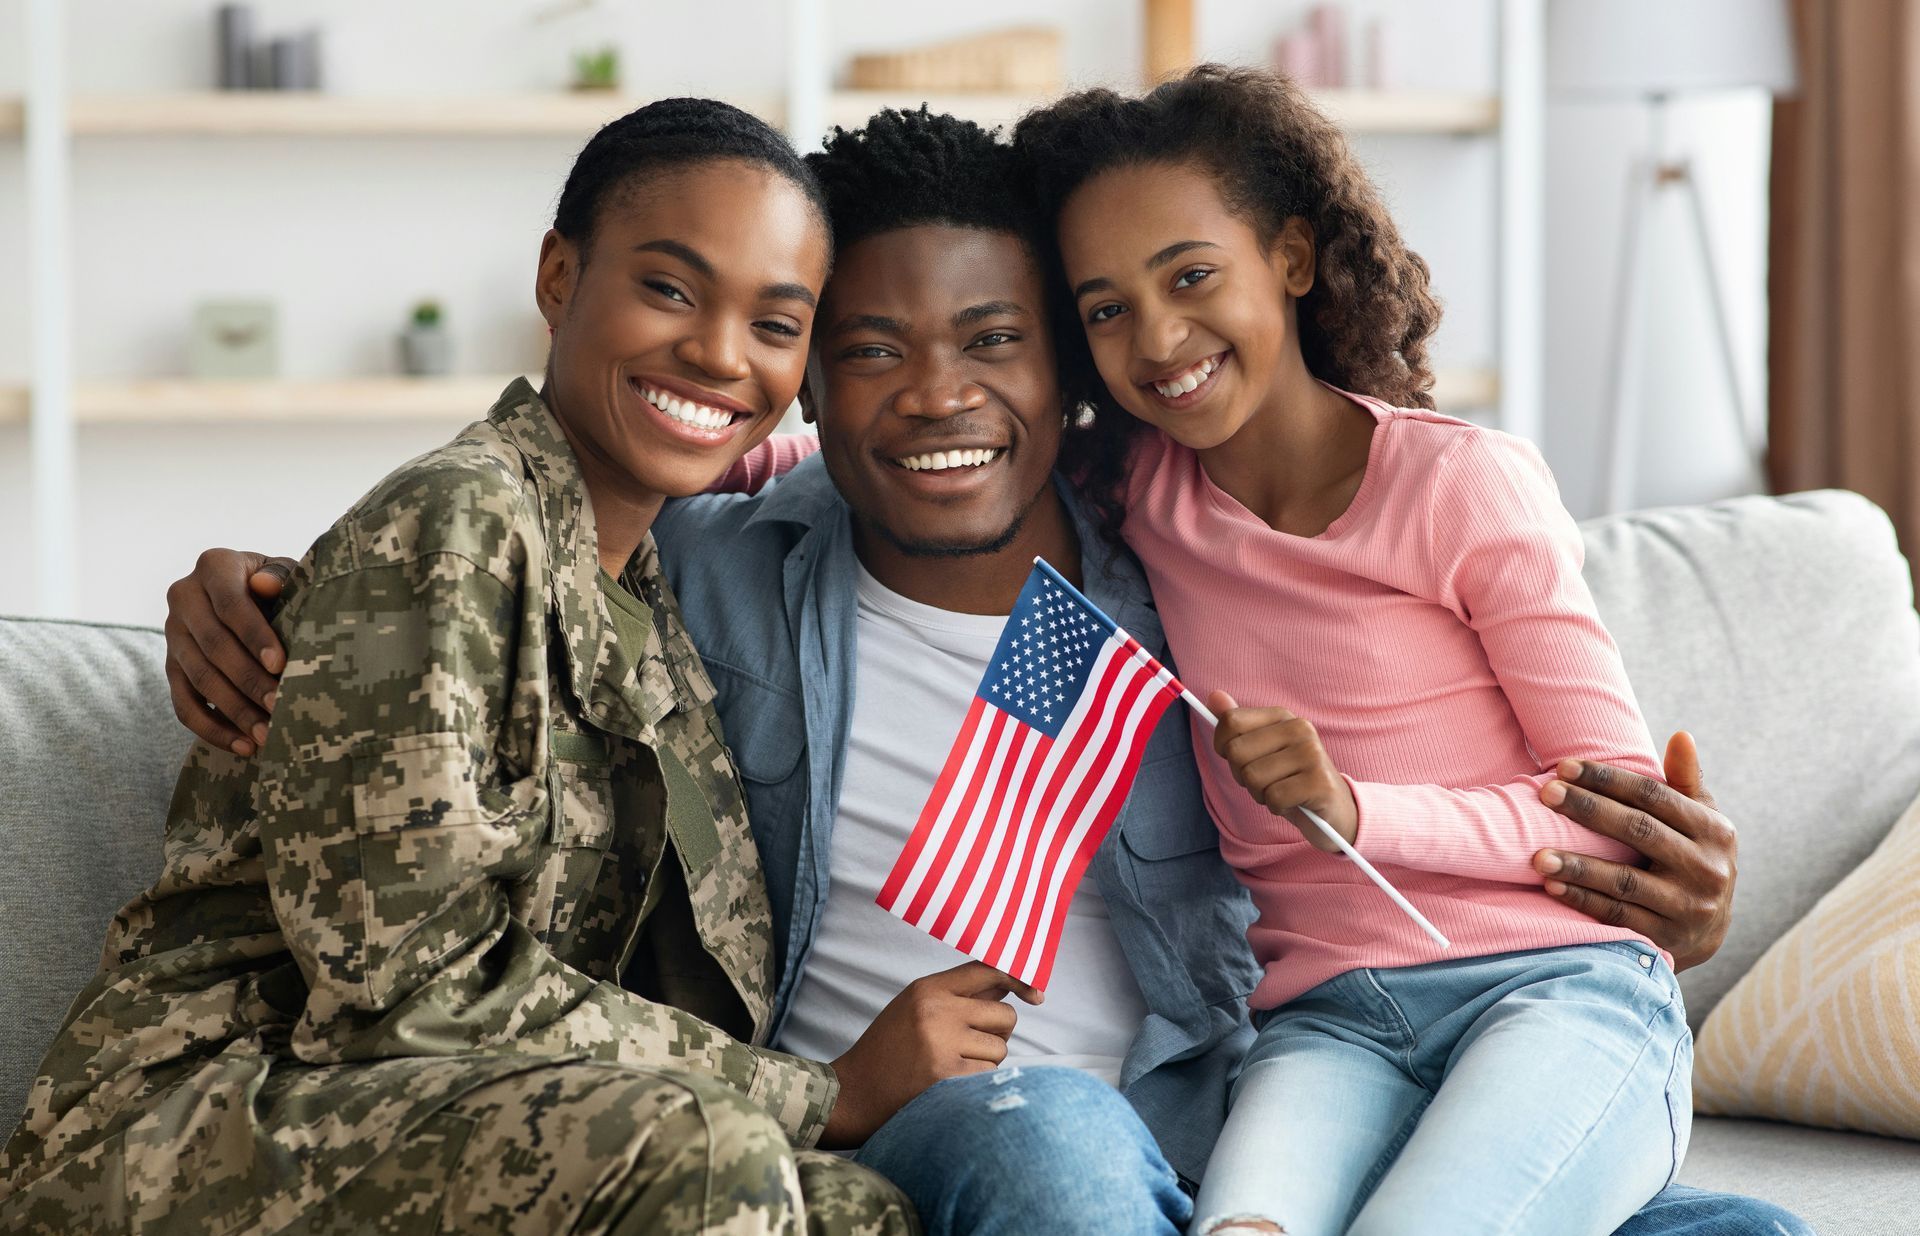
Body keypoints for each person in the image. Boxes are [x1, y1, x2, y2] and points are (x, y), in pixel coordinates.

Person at [161, 108, 1808, 1236]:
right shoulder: (728, 570)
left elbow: (1547, 789)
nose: (936, 396)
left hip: (1211, 1102)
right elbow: (504, 556)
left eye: (998, 338)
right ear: (813, 379)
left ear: (1076, 366)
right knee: (1053, 1137)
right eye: (870, 347)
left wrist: (1649, 873)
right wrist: (256, 592)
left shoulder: (1180, 557)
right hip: (936, 1111)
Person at [0, 98, 921, 1236]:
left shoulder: (647, 581)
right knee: (710, 1153)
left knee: (858, 1210)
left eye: (776, 324)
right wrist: (822, 1093)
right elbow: (409, 985)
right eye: (671, 290)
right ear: (558, 277)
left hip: (447, 1120)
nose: (722, 354)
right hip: (210, 1121)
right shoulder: (460, 520)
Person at [1013, 66, 1716, 1234]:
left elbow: (1618, 813)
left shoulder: (1459, 485)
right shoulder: (1137, 493)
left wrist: (1357, 806)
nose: (1160, 337)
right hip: (1328, 1024)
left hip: (1556, 990)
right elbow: (907, 454)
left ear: (1291, 257)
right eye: (1106, 308)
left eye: (1193, 276)